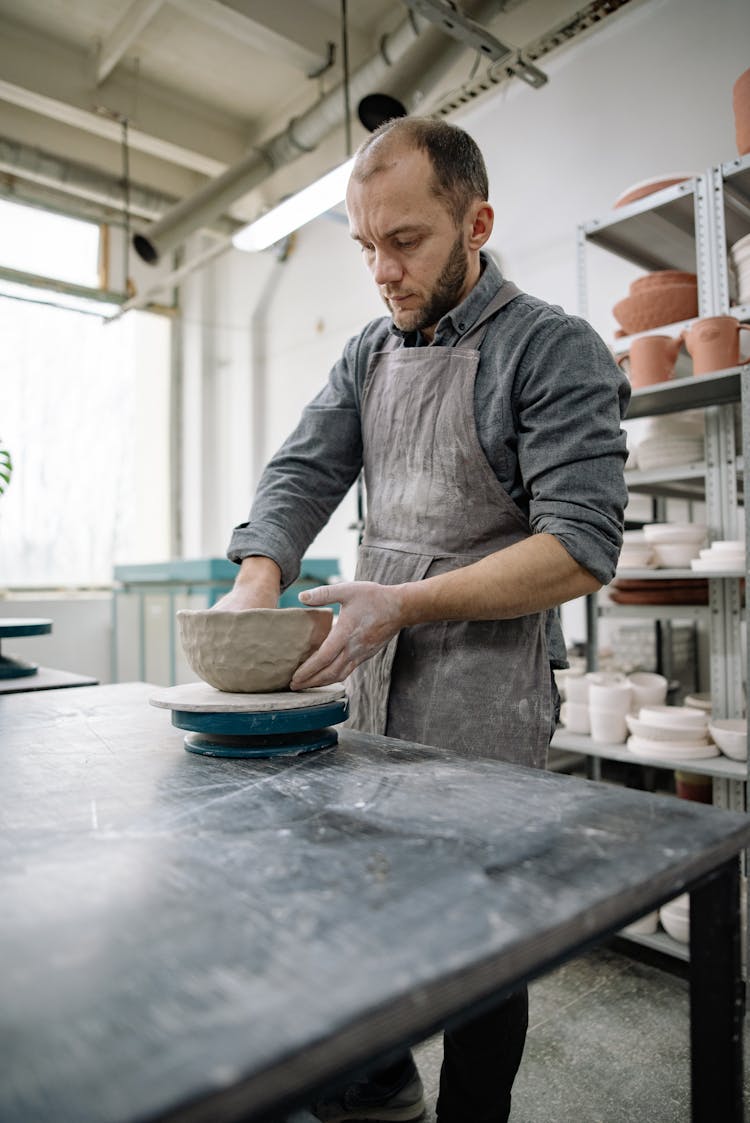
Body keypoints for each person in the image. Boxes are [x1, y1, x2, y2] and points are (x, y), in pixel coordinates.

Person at [216, 116, 629, 1123]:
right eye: (366, 245)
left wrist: (407, 600)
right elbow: (304, 468)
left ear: (475, 221)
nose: (382, 269)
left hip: (485, 706)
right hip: (368, 685)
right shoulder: (369, 352)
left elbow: (581, 543)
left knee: (487, 955)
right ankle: (376, 1090)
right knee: (369, 912)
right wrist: (258, 576)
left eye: (405, 241)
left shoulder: (549, 348)